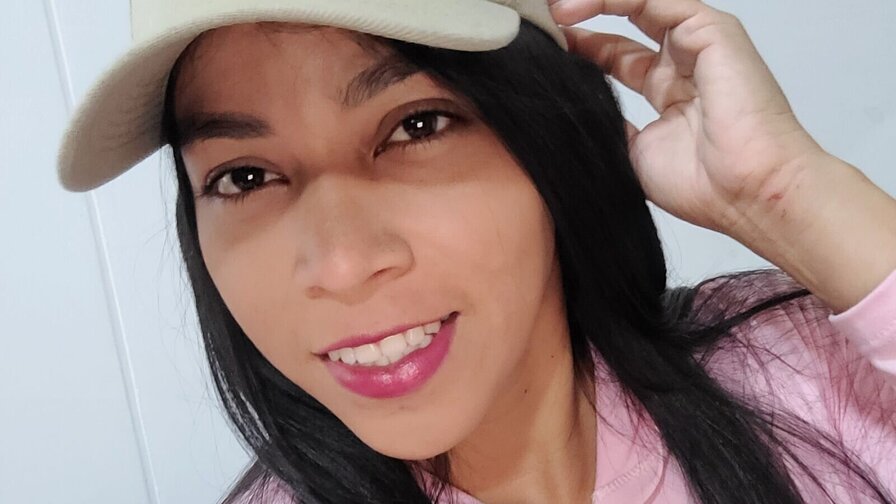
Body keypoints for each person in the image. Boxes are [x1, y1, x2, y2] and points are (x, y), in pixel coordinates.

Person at [57, 0, 896, 502]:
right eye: (244, 176)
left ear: (553, 136)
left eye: (417, 127)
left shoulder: (804, 371)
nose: (341, 266)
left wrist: (792, 196)